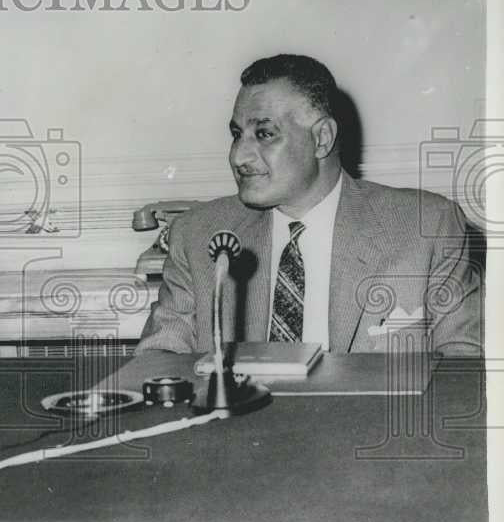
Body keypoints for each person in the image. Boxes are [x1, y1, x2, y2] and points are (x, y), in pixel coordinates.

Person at [136, 54, 482, 356]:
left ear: (322, 138)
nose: (239, 155)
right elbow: (158, 364)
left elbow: (462, 374)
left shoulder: (427, 227)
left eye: (264, 134)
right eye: (236, 134)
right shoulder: (196, 236)